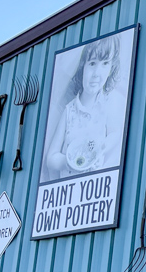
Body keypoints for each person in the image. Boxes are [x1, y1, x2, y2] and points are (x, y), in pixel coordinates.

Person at [42, 34, 125, 181]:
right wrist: (69, 163)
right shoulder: (69, 111)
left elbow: (116, 134)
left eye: (105, 63)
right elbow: (51, 158)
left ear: (112, 67)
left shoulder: (109, 103)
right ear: (81, 67)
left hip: (95, 189)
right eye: (92, 63)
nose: (97, 74)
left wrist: (101, 148)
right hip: (69, 189)